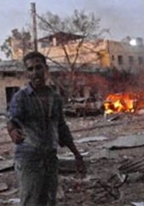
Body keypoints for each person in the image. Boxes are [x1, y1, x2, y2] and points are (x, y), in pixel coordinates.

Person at [7, 51, 86, 205]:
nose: (35, 73)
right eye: (30, 69)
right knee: (31, 200)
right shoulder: (21, 98)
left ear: (45, 69)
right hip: (29, 158)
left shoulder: (55, 97)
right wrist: (12, 131)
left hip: (50, 157)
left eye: (38, 67)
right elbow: (11, 120)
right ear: (27, 73)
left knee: (50, 200)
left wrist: (76, 154)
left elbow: (62, 127)